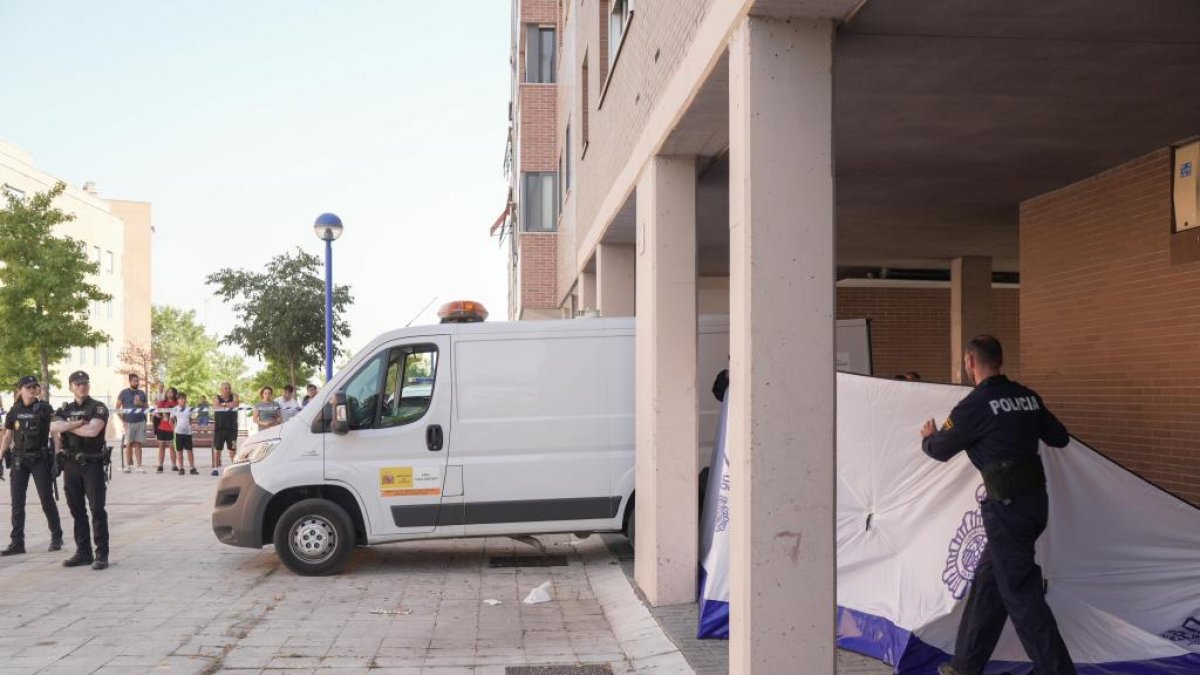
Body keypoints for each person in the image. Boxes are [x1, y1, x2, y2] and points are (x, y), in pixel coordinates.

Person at [919, 335, 1074, 675]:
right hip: (1035, 505)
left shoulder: (975, 405)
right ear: (999, 360)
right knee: (989, 584)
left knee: (1021, 595)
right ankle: (965, 666)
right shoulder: (1027, 397)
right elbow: (1059, 438)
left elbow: (940, 450)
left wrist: (928, 437)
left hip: (1007, 509)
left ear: (971, 361)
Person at [50, 370, 111, 570]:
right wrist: (76, 424)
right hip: (71, 465)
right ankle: (83, 552)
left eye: (84, 383)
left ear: (89, 385)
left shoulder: (98, 407)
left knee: (97, 509)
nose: (81, 386)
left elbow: (93, 431)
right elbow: (53, 427)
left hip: (91, 463)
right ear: (71, 387)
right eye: (77, 384)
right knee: (76, 510)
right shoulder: (64, 408)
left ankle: (101, 554)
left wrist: (66, 426)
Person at [0, 376, 63, 555]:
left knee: (46, 498)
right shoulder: (14, 410)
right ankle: (17, 543)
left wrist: (57, 455)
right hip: (20, 459)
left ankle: (56, 535)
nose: (32, 389)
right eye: (28, 387)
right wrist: (0, 455)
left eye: (35, 386)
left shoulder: (44, 408)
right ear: (20, 389)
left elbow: (56, 433)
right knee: (17, 503)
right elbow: (8, 435)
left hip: (39, 458)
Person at [116, 373, 149, 473]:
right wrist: (123, 422)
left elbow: (147, 408)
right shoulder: (123, 393)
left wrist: (140, 404)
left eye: (138, 380)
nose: (137, 382)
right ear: (130, 382)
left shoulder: (142, 393)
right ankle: (127, 466)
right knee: (129, 444)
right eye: (135, 381)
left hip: (140, 421)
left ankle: (139, 465)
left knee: (138, 444)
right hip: (128, 422)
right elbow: (117, 409)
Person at [211, 382, 240, 476]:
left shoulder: (234, 396)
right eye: (226, 388)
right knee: (217, 449)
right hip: (219, 428)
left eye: (229, 388)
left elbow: (236, 404)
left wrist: (222, 404)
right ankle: (215, 468)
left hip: (232, 428)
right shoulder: (216, 397)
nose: (228, 390)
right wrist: (227, 404)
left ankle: (235, 468)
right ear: (221, 389)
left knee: (233, 449)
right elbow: (215, 406)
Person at [152, 387, 179, 473]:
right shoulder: (162, 403)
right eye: (168, 392)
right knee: (161, 446)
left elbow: (179, 415)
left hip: (172, 428)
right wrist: (160, 415)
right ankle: (160, 465)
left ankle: (174, 465)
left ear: (174, 394)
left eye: (171, 392)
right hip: (161, 427)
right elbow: (156, 414)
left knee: (172, 447)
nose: (169, 393)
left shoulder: (177, 403)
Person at [171, 394, 197, 475]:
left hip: (188, 433)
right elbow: (171, 420)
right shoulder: (174, 409)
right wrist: (174, 429)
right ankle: (181, 468)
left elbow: (194, 417)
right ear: (178, 400)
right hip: (178, 433)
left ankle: (192, 467)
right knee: (179, 451)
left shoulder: (189, 409)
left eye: (184, 399)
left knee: (189, 451)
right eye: (181, 399)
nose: (183, 400)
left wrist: (192, 419)